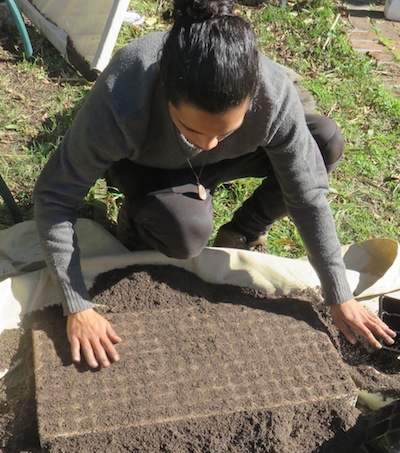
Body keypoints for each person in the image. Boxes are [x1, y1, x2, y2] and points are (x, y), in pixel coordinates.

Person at [34, 0, 396, 369]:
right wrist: (76, 303)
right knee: (185, 232)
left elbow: (308, 196)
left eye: (225, 130)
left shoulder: (272, 92)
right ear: (165, 96)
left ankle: (243, 231)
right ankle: (141, 217)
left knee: (323, 143)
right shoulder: (123, 95)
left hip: (226, 164)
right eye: (191, 128)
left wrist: (339, 294)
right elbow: (54, 196)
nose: (206, 143)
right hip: (149, 165)